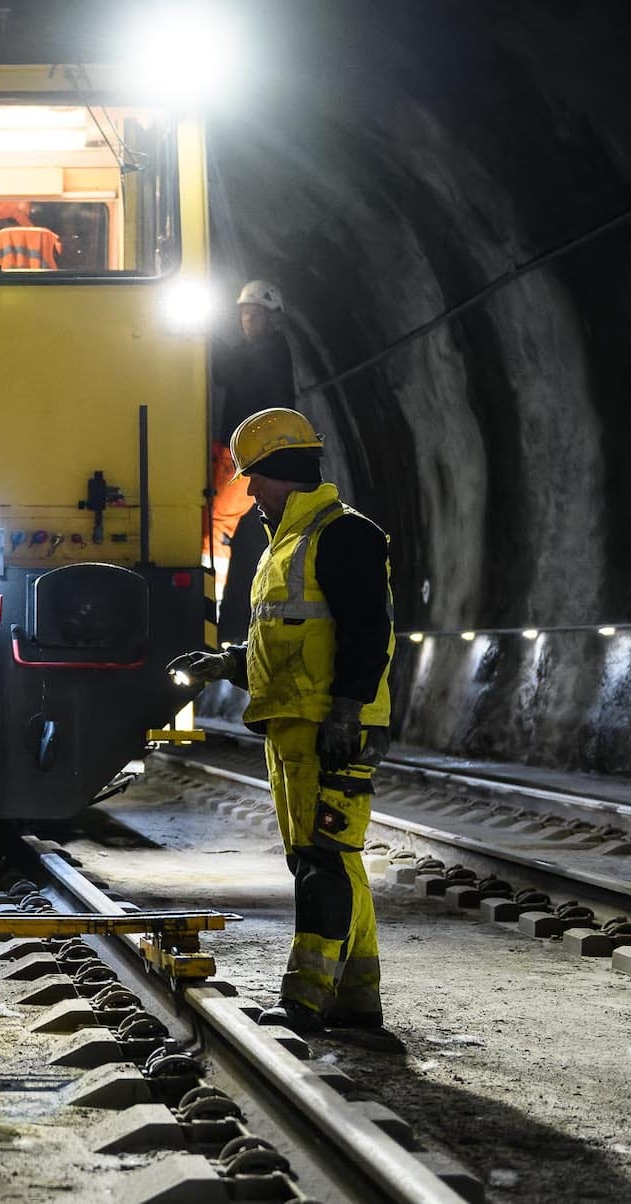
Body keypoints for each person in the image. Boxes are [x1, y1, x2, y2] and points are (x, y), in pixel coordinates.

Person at [169, 407, 394, 1039]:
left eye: (254, 478)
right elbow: (288, 641)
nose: (249, 490)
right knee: (328, 856)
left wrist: (348, 709)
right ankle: (357, 999)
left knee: (322, 858)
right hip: (296, 722)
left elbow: (366, 631)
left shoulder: (343, 534)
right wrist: (226, 663)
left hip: (330, 724)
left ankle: (306, 999)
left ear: (280, 471)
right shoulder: (286, 542)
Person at [210, 281, 299, 641]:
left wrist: (204, 333)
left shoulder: (270, 353)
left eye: (256, 315)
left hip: (248, 458)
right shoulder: (260, 350)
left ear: (272, 319)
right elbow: (226, 370)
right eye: (245, 314)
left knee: (217, 524)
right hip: (240, 454)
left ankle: (207, 605)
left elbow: (228, 368)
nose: (248, 320)